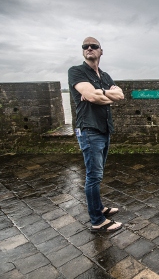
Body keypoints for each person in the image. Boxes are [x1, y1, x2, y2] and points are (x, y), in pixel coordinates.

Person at [68, 37, 124, 233]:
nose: (89, 48)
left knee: (97, 175)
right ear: (83, 51)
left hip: (104, 129)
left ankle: (99, 207)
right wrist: (102, 94)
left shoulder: (105, 76)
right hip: (89, 130)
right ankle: (97, 221)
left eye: (94, 46)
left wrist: (100, 92)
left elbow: (120, 96)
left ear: (101, 51)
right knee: (93, 176)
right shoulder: (76, 71)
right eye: (85, 46)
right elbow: (91, 97)